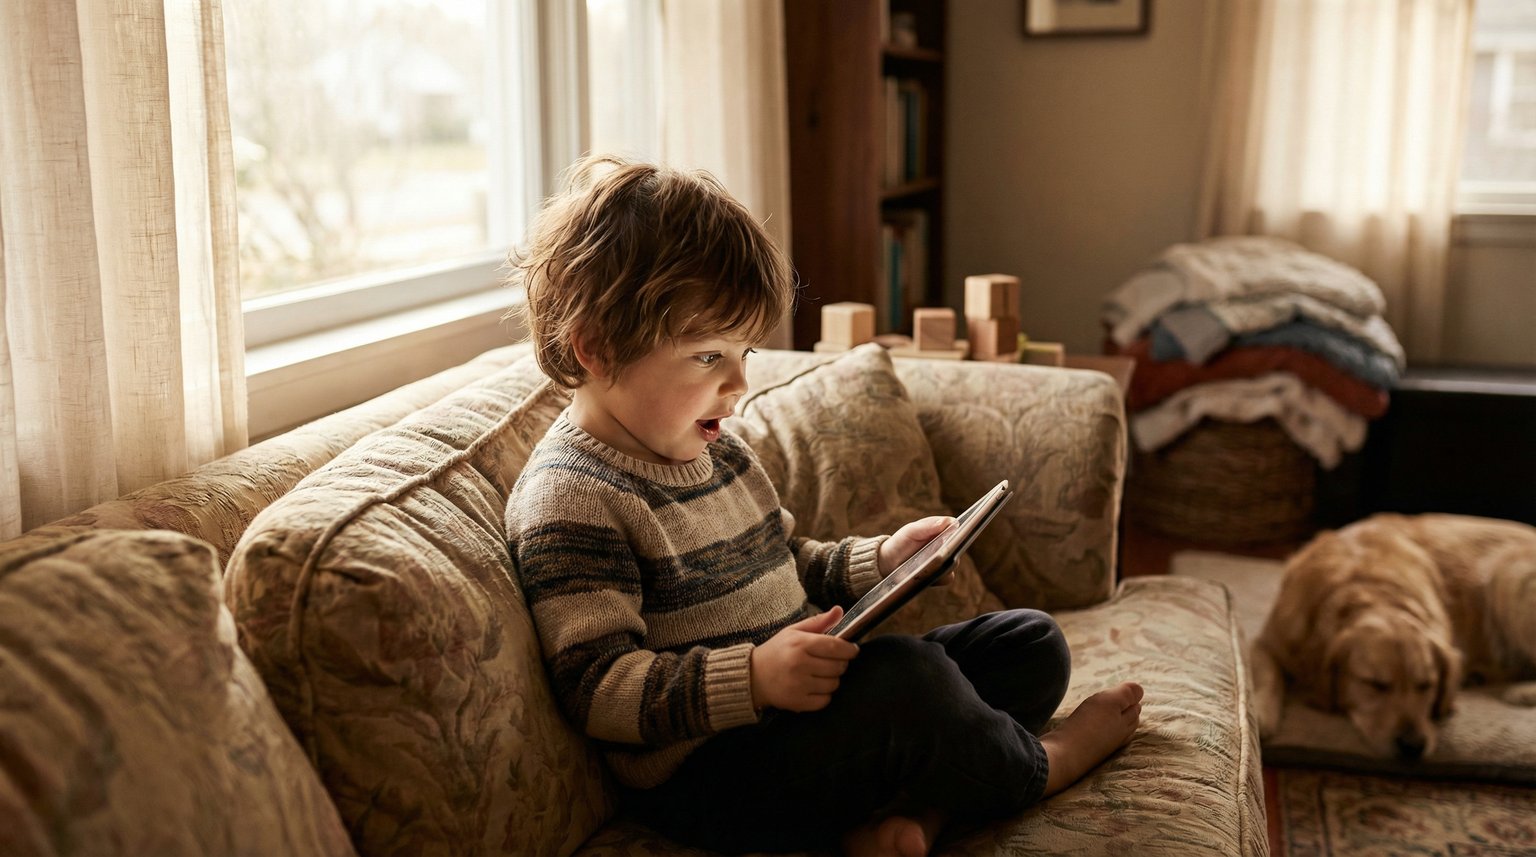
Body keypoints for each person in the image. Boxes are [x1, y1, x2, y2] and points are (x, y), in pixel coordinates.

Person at [504, 155, 1142, 857]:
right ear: (595, 348)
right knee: (908, 679)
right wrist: (751, 676)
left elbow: (789, 563)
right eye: (709, 356)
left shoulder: (719, 450)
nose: (740, 381)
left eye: (745, 350)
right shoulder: (572, 497)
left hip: (805, 722)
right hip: (713, 779)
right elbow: (598, 688)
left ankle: (909, 822)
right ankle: (1045, 764)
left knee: (1026, 644)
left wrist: (884, 562)